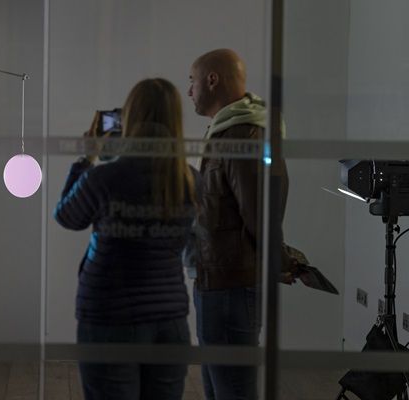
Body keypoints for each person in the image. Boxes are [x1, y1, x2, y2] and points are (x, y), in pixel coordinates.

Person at [54, 78, 197, 399]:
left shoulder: (104, 177)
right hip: (170, 318)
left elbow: (67, 216)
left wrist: (86, 157)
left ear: (129, 118)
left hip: (109, 316)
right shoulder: (190, 181)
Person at [188, 49, 289, 399]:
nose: (190, 91)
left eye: (192, 81)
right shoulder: (228, 133)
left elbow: (261, 217)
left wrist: (280, 259)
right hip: (218, 285)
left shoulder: (242, 137)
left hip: (230, 289)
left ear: (212, 80)